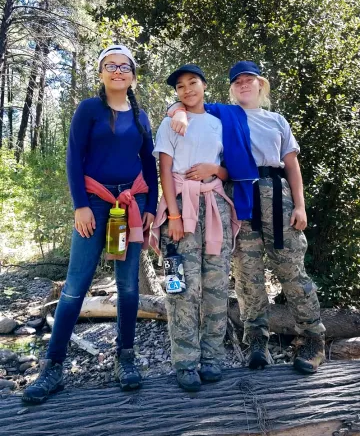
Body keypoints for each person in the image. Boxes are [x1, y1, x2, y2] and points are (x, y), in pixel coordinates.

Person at [168, 60, 326, 375]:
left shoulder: (277, 120)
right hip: (238, 198)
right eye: (237, 80)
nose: (243, 84)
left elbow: (291, 165)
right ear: (231, 87)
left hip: (276, 196)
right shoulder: (221, 114)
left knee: (291, 270)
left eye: (249, 79)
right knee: (246, 274)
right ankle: (257, 341)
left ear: (260, 84)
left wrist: (300, 205)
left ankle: (312, 340)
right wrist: (178, 111)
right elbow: (185, 101)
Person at [23, 44, 158, 404]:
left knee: (128, 286)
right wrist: (80, 206)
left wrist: (151, 206)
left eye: (124, 66)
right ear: (101, 73)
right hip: (94, 204)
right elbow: (73, 157)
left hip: (132, 203)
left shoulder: (142, 116)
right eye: (110, 66)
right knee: (75, 286)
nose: (118, 71)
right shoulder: (89, 110)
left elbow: (149, 165)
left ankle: (125, 357)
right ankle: (52, 367)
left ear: (133, 74)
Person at [150, 64, 245, 392]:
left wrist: (215, 169)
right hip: (180, 209)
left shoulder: (219, 123)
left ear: (205, 85)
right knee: (179, 287)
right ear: (176, 93)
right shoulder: (170, 123)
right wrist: (173, 216)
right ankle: (185, 361)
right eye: (180, 86)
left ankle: (212, 358)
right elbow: (164, 169)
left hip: (214, 206)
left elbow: (231, 169)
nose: (187, 89)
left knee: (216, 285)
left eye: (193, 82)